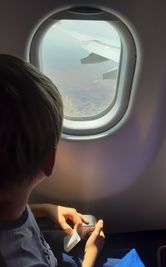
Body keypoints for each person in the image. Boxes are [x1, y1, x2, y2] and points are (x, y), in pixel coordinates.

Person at [0, 54, 105, 267]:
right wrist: (91, 256)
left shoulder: (12, 203)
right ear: (49, 161)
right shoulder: (20, 261)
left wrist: (48, 209)